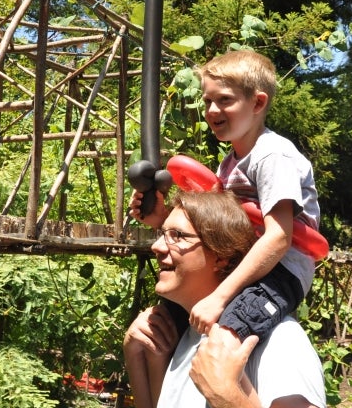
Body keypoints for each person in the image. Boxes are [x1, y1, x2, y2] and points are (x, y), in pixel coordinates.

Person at [122, 190, 330, 408]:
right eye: (161, 234)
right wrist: (140, 355)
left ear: (221, 256)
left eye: (176, 235)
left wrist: (226, 395)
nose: (156, 246)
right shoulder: (190, 333)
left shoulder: (277, 342)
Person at [130, 50, 320, 341]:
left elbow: (279, 237)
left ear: (257, 102)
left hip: (281, 270)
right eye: (208, 101)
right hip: (240, 264)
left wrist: (219, 297)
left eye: (225, 100)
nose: (212, 111)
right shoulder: (229, 164)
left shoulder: (272, 156)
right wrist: (162, 220)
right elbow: (222, 226)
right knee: (153, 337)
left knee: (225, 332)